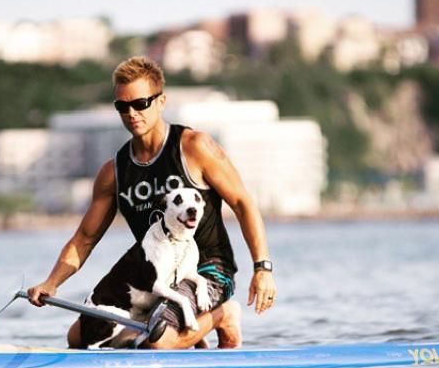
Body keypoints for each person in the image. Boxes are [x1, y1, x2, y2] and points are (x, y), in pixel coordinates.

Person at [27, 56, 276, 349]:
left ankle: (222, 316)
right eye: (122, 106)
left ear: (161, 101)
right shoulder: (114, 172)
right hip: (155, 278)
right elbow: (85, 238)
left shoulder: (194, 147)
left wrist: (262, 268)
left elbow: (242, 203)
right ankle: (164, 335)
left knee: (158, 344)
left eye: (141, 104)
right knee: (78, 337)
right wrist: (52, 282)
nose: (132, 113)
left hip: (208, 271)